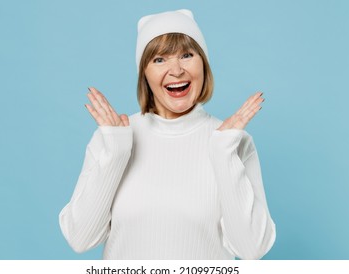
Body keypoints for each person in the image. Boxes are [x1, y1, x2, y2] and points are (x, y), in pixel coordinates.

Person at [59, 9, 276, 260]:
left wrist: (224, 152)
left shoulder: (232, 141)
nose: (176, 70)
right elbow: (80, 238)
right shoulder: (113, 138)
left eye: (186, 55)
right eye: (159, 59)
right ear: (145, 74)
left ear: (203, 65)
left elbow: (252, 249)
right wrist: (116, 152)